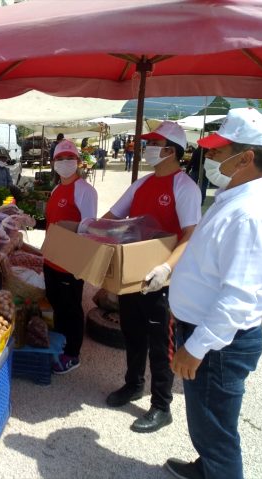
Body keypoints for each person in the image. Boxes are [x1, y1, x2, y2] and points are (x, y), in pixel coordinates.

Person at [166, 108, 262, 479]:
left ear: (247, 157)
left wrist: (197, 347)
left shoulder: (252, 215)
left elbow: (238, 298)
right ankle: (206, 468)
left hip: (219, 345)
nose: (212, 159)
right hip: (205, 334)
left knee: (217, 431)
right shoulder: (233, 199)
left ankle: (217, 470)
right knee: (206, 420)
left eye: (220, 152)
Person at [102, 121, 201, 433]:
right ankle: (133, 384)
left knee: (161, 343)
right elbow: (112, 216)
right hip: (133, 275)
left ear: (170, 150)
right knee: (132, 332)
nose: (146, 149)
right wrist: (89, 232)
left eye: (153, 144)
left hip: (165, 280)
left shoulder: (184, 187)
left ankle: (161, 405)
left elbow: (189, 234)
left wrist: (166, 268)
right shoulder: (142, 184)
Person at [42, 139, 98, 374]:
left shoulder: (85, 190)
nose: (65, 163)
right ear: (54, 162)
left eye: (69, 158)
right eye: (60, 159)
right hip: (51, 258)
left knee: (71, 308)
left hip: (70, 261)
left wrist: (71, 226)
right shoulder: (56, 189)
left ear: (78, 162)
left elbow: (91, 226)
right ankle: (61, 345)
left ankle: (72, 354)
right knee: (57, 305)